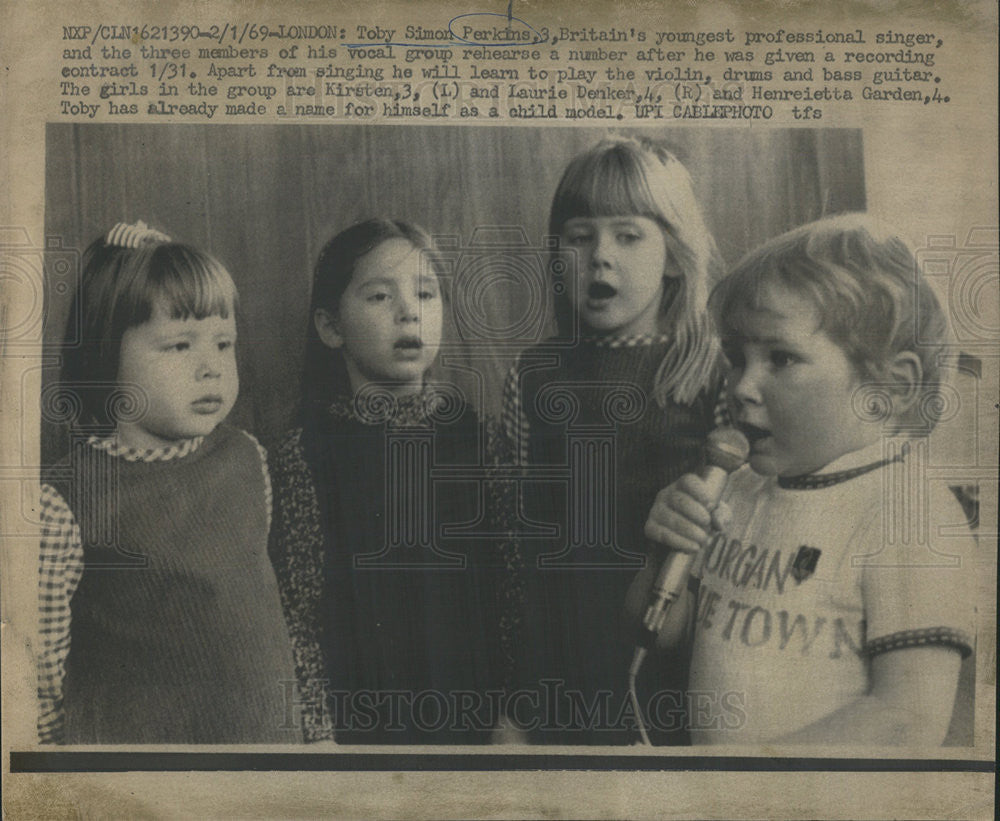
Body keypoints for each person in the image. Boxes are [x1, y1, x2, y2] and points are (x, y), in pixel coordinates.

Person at [635, 214, 976, 745]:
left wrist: (757, 784)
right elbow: (658, 637)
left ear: (890, 387)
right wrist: (663, 555)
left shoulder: (910, 513)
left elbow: (907, 720)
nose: (742, 386)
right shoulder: (739, 487)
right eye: (736, 358)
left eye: (781, 358)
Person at [37, 221, 298, 744]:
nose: (212, 369)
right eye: (179, 346)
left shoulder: (248, 460)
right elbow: (38, 681)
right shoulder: (61, 502)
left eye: (224, 344)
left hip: (266, 761)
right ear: (107, 356)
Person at [501, 137, 724, 744]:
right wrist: (517, 707)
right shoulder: (535, 374)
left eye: (628, 236)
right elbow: (527, 553)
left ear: (675, 256)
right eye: (580, 236)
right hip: (563, 669)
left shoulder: (711, 371)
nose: (601, 256)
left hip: (676, 666)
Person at [269, 218, 513, 744]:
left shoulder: (475, 437)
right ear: (331, 326)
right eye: (380, 296)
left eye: (426, 293)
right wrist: (317, 735)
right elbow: (300, 613)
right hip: (360, 729)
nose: (409, 311)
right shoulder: (304, 452)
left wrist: (515, 716)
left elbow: (510, 587)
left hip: (476, 721)